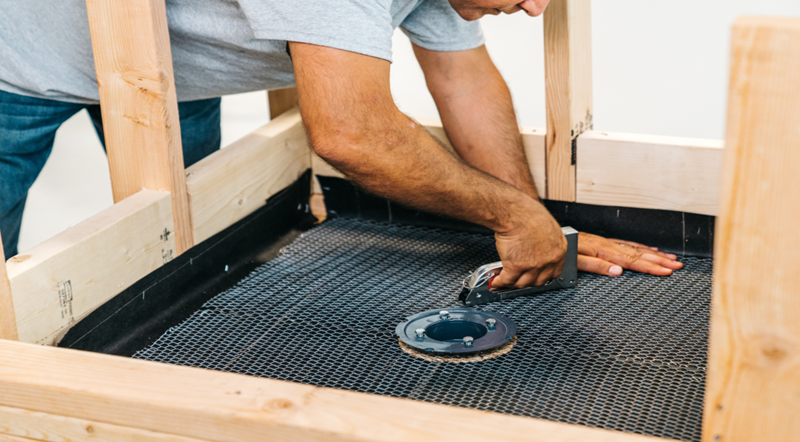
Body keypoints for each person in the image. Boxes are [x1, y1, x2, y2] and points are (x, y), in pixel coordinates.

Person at [0, 0, 682, 288]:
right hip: (17, 62)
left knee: (185, 258)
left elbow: (466, 84)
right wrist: (510, 217)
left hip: (166, 72)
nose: (536, 7)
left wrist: (537, 223)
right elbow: (352, 135)